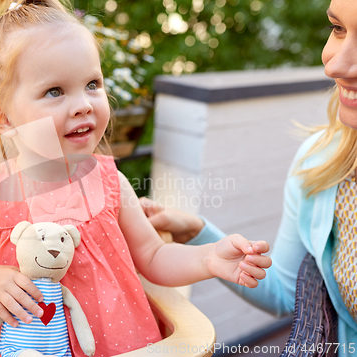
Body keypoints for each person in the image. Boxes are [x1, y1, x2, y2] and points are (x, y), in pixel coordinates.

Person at [0, 0, 272, 356]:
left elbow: (154, 256)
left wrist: (208, 259)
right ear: (3, 117)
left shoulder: (110, 181)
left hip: (126, 347)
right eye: (55, 91)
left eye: (92, 84)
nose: (83, 103)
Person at [141, 0, 357, 354]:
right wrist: (197, 233)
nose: (335, 64)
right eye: (337, 28)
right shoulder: (321, 163)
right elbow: (286, 295)